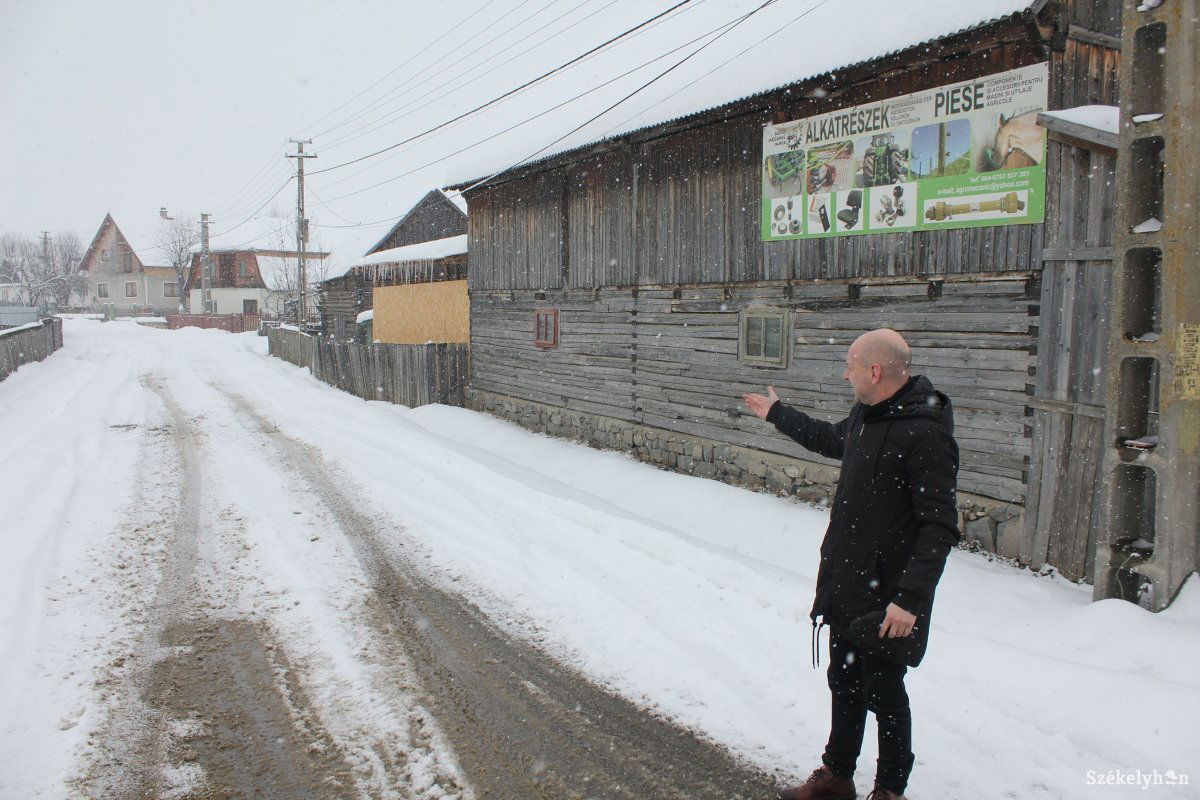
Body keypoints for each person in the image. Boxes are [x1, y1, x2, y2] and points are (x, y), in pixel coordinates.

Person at [743, 328, 960, 800]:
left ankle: (889, 791)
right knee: (843, 681)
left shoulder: (925, 434)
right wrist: (778, 414)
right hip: (847, 580)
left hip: (890, 597)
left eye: (851, 366)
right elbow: (830, 439)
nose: (845, 373)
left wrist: (909, 602)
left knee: (884, 693)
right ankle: (837, 776)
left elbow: (939, 528)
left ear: (875, 371)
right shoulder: (868, 415)